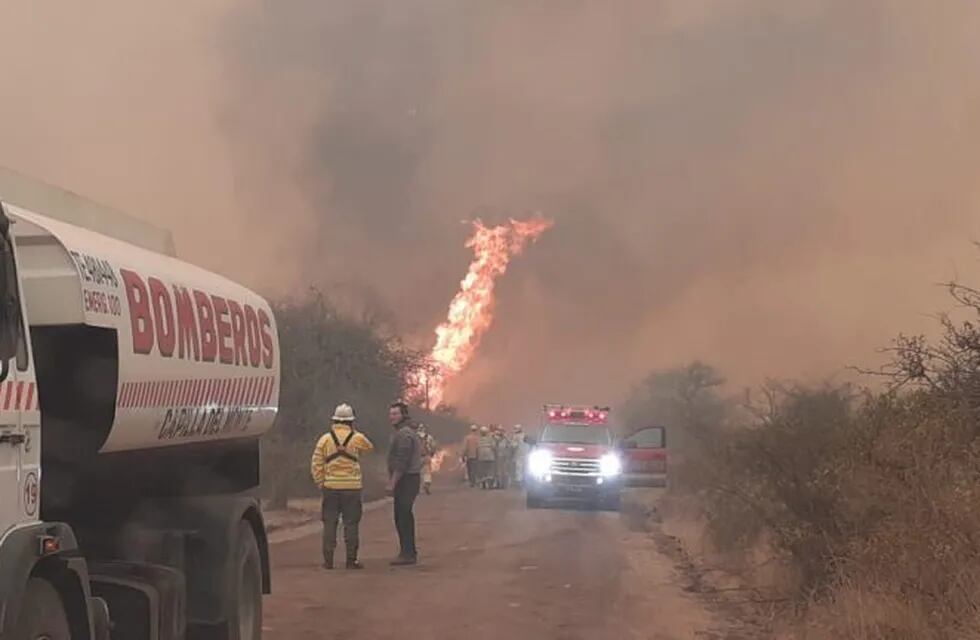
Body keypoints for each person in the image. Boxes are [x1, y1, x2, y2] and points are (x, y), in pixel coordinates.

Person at [310, 403, 374, 570]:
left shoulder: (324, 439)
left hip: (330, 487)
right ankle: (351, 561)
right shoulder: (357, 437)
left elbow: (316, 463)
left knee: (329, 523)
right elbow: (369, 448)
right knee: (351, 524)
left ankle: (328, 561)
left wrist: (320, 482)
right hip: (352, 488)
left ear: (335, 420)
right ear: (351, 421)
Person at [387, 400, 422, 565]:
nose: (391, 417)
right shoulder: (403, 432)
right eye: (391, 413)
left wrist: (392, 482)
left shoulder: (404, 434)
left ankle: (408, 553)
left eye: (395, 414)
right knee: (402, 515)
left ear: (403, 415)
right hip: (407, 478)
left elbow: (402, 461)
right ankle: (408, 552)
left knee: (403, 515)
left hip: (407, 479)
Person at [418, 423, 438, 495]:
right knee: (427, 472)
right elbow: (433, 446)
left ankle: (418, 489)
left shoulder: (414, 436)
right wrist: (432, 454)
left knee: (418, 473)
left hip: (417, 458)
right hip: (427, 456)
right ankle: (426, 484)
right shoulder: (429, 437)